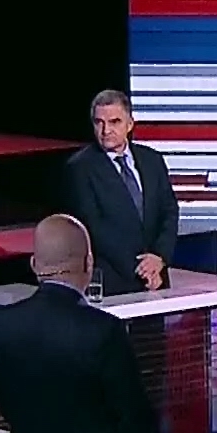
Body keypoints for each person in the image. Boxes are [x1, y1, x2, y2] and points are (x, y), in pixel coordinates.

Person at [0, 214, 158, 433]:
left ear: (34, 264)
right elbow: (134, 418)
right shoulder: (104, 330)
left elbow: (8, 409)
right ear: (89, 263)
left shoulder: (1, 326)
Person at [61, 89, 181, 297]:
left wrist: (159, 258)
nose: (105, 130)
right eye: (99, 122)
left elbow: (169, 212)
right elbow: (94, 228)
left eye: (114, 122)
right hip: (114, 283)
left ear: (130, 124)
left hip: (156, 277)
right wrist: (141, 270)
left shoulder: (152, 160)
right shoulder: (80, 167)